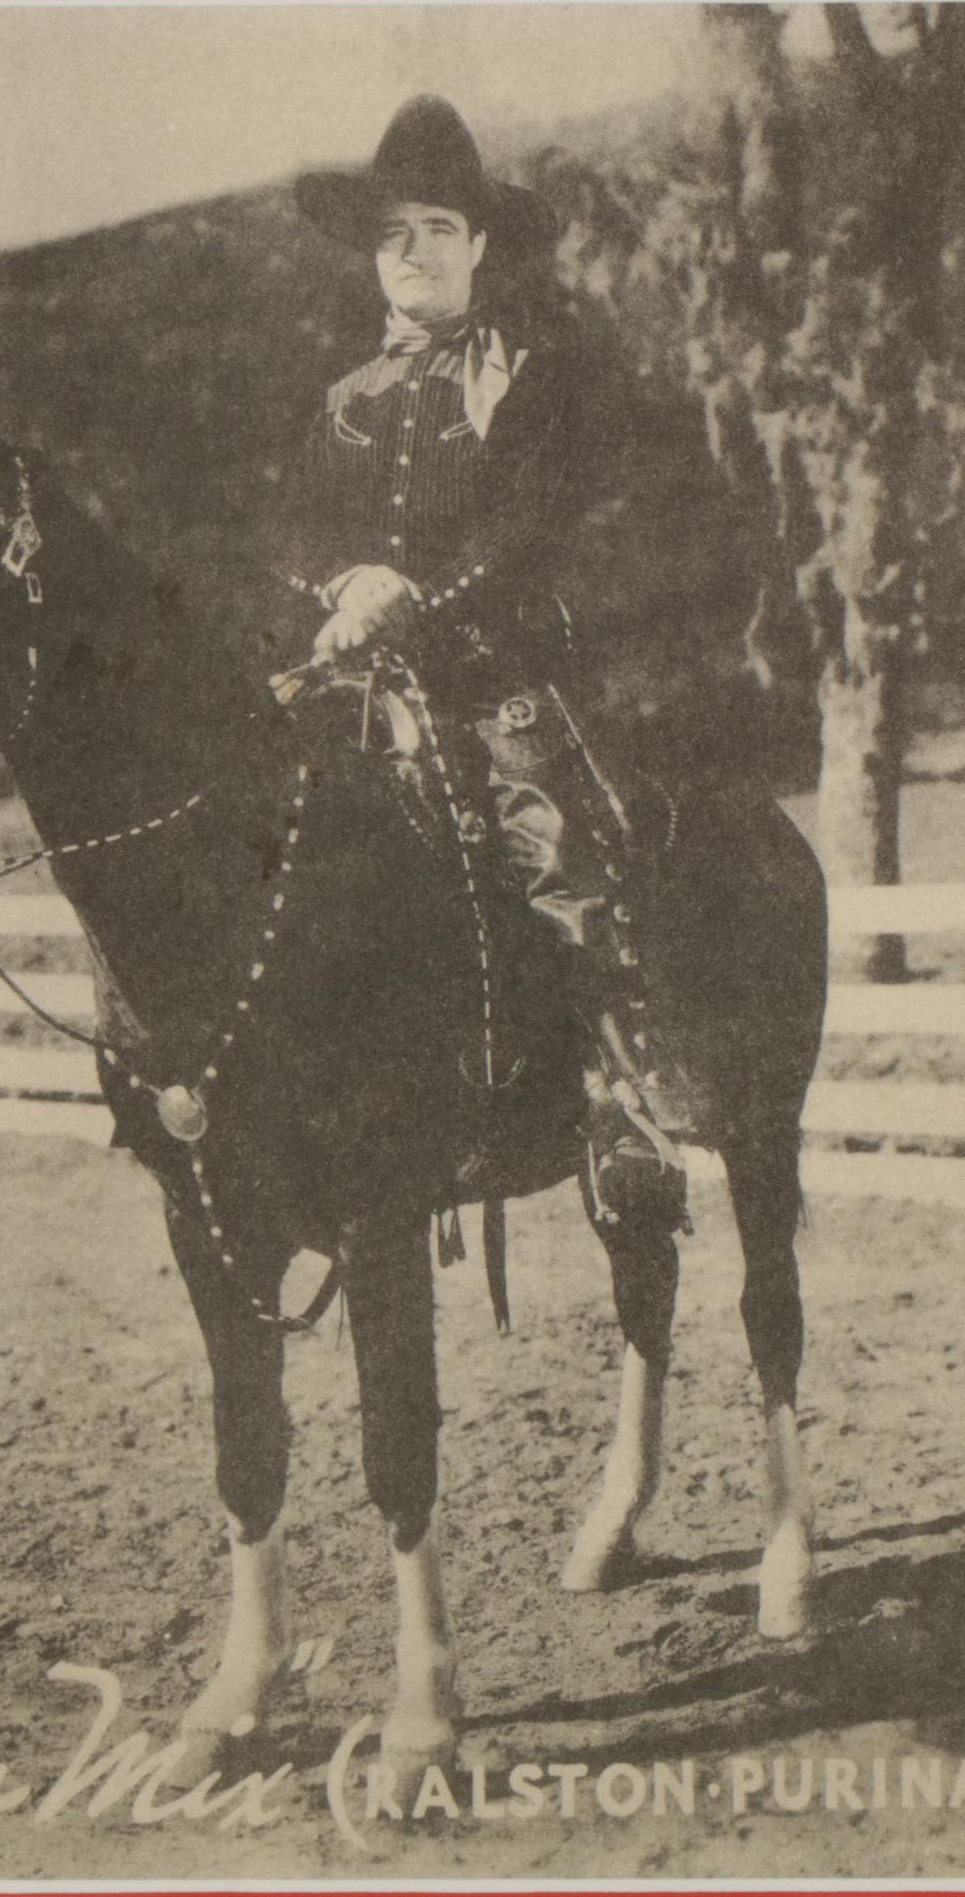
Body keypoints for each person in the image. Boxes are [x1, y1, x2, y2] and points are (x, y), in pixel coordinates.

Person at [280, 94, 689, 1210]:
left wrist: (413, 596)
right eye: (392, 233)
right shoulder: (345, 400)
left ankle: (620, 1099)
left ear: (481, 246)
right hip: (368, 688)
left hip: (497, 676)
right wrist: (342, 584)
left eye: (438, 229)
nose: (413, 253)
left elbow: (529, 522)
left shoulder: (527, 375)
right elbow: (298, 529)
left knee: (553, 841)